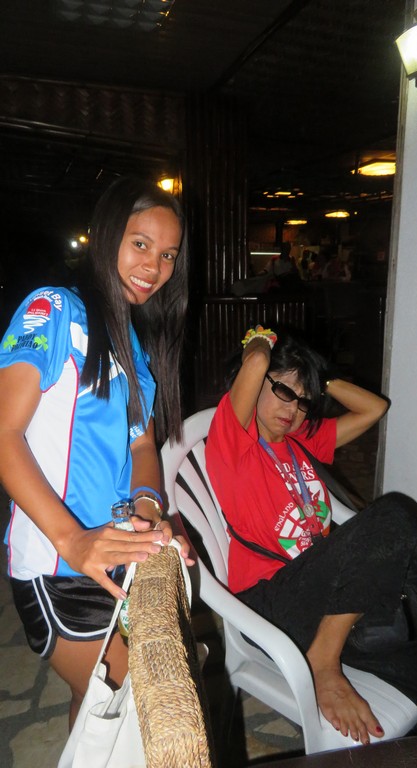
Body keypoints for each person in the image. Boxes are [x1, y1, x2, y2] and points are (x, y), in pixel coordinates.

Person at [0, 175, 193, 728]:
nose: (154, 267)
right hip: (57, 562)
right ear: (107, 236)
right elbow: (5, 433)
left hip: (116, 552)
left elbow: (143, 444)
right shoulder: (54, 310)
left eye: (168, 255)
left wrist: (147, 516)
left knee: (95, 709)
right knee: (138, 714)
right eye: (141, 244)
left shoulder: (135, 345)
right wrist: (73, 538)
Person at [205, 324, 417, 746]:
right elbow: (256, 360)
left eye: (303, 400)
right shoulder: (233, 440)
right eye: (283, 391)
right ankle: (323, 664)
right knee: (396, 513)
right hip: (269, 600)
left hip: (324, 595)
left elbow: (374, 409)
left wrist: (318, 378)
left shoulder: (300, 441)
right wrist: (262, 340)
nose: (293, 408)